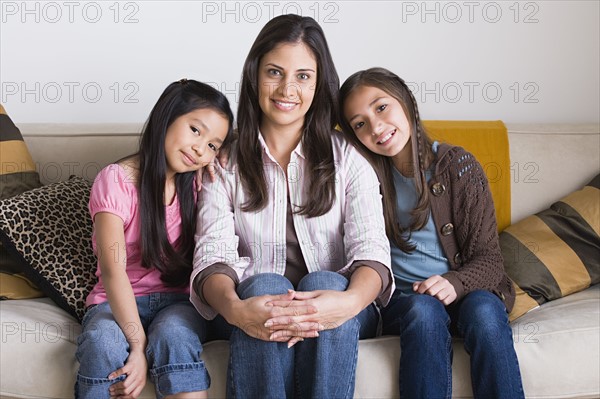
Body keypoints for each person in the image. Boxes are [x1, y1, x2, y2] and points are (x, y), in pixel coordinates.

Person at [191, 15, 393, 399]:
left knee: (326, 282)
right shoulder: (223, 161)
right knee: (266, 285)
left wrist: (347, 301)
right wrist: (235, 309)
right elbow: (212, 255)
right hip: (254, 306)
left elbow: (372, 253)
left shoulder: (347, 159)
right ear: (254, 76)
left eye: (303, 76)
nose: (287, 88)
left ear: (319, 84)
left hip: (341, 309)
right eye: (274, 72)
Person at [339, 67, 524, 398]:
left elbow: (490, 260)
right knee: (423, 311)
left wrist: (454, 282)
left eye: (381, 107)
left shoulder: (457, 166)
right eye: (359, 124)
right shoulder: (361, 177)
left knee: (485, 313)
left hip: (467, 291)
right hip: (405, 300)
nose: (377, 127)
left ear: (406, 101)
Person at [75, 79, 234, 399]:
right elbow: (113, 270)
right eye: (195, 130)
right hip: (115, 300)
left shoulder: (199, 184)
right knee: (103, 339)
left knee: (174, 335)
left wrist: (224, 154)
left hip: (178, 302)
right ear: (166, 116)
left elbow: (251, 143)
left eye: (213, 144)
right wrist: (137, 345)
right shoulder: (117, 180)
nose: (200, 148)